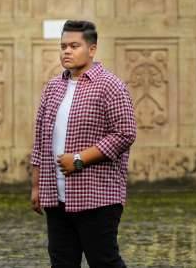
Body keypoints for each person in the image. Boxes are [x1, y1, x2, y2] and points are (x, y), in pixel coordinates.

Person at [30, 20, 137, 268]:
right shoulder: (53, 88)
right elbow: (40, 140)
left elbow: (124, 133)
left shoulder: (110, 86)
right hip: (56, 197)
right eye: (63, 46)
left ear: (92, 49)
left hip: (97, 196)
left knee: (104, 262)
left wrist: (79, 160)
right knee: (62, 262)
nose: (66, 51)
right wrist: (36, 186)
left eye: (74, 46)